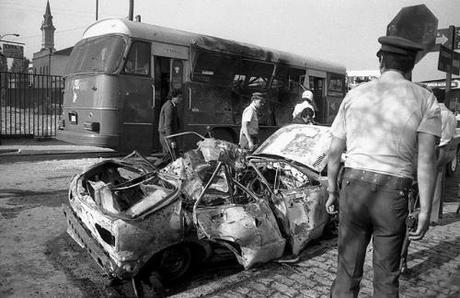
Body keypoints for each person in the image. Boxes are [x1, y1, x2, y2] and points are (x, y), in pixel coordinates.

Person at [325, 35, 441, 297]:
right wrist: (424, 211)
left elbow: (334, 152)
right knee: (387, 276)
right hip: (393, 194)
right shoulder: (425, 99)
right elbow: (426, 159)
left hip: (354, 188)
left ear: (380, 61)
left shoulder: (354, 95)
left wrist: (332, 189)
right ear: (411, 65)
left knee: (346, 270)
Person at [430, 88, 457, 224]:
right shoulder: (451, 114)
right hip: (446, 149)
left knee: (428, 182)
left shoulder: (436, 113)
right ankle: (435, 215)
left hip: (436, 149)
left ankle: (428, 214)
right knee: (438, 183)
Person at [157, 89, 183, 166]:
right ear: (173, 97)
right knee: (173, 157)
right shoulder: (169, 107)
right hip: (167, 136)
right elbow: (167, 125)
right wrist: (171, 140)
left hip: (167, 135)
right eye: (179, 97)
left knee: (168, 156)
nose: (181, 99)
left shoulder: (172, 105)